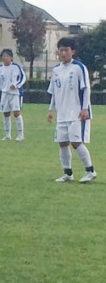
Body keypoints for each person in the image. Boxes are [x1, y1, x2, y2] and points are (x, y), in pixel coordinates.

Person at [47, 37, 96, 183]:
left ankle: (90, 170)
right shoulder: (56, 70)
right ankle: (67, 173)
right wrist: (51, 110)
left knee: (76, 142)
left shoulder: (79, 67)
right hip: (62, 113)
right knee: (62, 142)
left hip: (76, 112)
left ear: (72, 51)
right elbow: (54, 92)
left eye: (66, 50)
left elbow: (86, 88)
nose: (63, 53)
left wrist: (84, 108)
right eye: (61, 50)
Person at [0, 48, 26, 140]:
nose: (5, 58)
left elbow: (23, 78)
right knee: (6, 113)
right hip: (5, 93)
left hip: (15, 94)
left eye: (7, 56)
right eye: (3, 56)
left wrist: (16, 85)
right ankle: (7, 135)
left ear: (11, 58)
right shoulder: (0, 68)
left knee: (16, 113)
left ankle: (20, 135)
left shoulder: (16, 67)